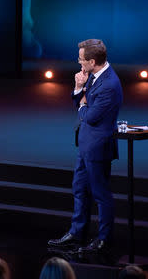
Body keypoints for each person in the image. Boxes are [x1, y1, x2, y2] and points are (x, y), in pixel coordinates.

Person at [48, 39, 123, 253]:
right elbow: (80, 105)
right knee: (79, 189)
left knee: (101, 194)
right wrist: (78, 89)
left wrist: (82, 102)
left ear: (92, 61)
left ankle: (103, 239)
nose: (78, 62)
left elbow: (89, 116)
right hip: (85, 144)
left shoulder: (109, 84)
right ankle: (76, 233)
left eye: (81, 59)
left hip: (98, 147)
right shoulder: (92, 75)